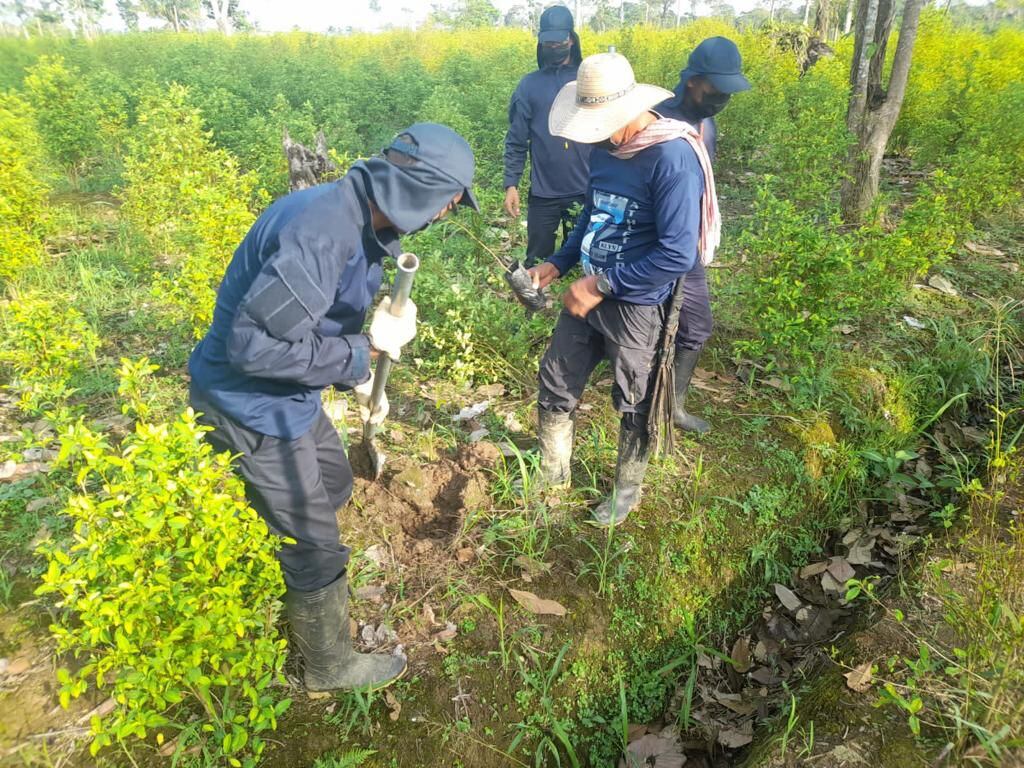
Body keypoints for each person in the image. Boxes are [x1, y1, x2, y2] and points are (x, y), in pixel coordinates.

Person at [187, 123, 478, 692]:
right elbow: (254, 348)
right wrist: (362, 352)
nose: (447, 214)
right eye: (447, 201)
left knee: (337, 482)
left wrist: (362, 379)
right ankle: (327, 665)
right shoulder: (321, 232)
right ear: (418, 190)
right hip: (249, 406)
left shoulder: (356, 217)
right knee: (318, 544)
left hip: (289, 397)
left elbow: (313, 321)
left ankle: (279, 525)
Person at [529, 51, 719, 526]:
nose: (593, 134)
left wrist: (604, 283)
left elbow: (679, 254)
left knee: (636, 400)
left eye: (601, 123)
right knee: (555, 381)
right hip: (589, 293)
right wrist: (559, 262)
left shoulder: (672, 158)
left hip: (635, 304)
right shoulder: (606, 149)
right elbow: (593, 217)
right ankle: (552, 478)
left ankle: (626, 491)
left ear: (630, 110)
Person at [654, 36, 750, 434]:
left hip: (688, 243)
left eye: (729, 90)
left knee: (696, 326)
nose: (722, 98)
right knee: (648, 324)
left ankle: (673, 406)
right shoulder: (655, 118)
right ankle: (643, 408)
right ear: (693, 80)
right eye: (716, 88)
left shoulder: (706, 122)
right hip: (654, 243)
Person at [503, 5, 591, 268]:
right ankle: (532, 308)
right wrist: (511, 183)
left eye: (559, 41)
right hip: (544, 194)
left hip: (585, 191)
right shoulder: (529, 85)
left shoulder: (587, 79)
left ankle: (574, 310)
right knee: (536, 263)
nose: (554, 47)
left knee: (582, 261)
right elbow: (517, 139)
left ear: (571, 40)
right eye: (548, 42)